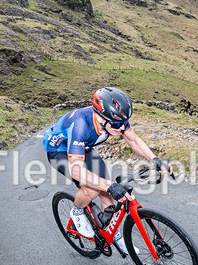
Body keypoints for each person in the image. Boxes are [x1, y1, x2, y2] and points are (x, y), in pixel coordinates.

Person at [43, 87, 170, 253]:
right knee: (92, 190)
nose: (121, 128)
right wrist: (108, 185)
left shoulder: (115, 120)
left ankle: (113, 233)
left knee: (109, 196)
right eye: (117, 124)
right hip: (58, 151)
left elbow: (133, 140)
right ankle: (77, 211)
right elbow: (76, 171)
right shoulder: (81, 124)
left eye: (124, 122)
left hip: (84, 148)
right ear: (101, 117)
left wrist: (154, 159)